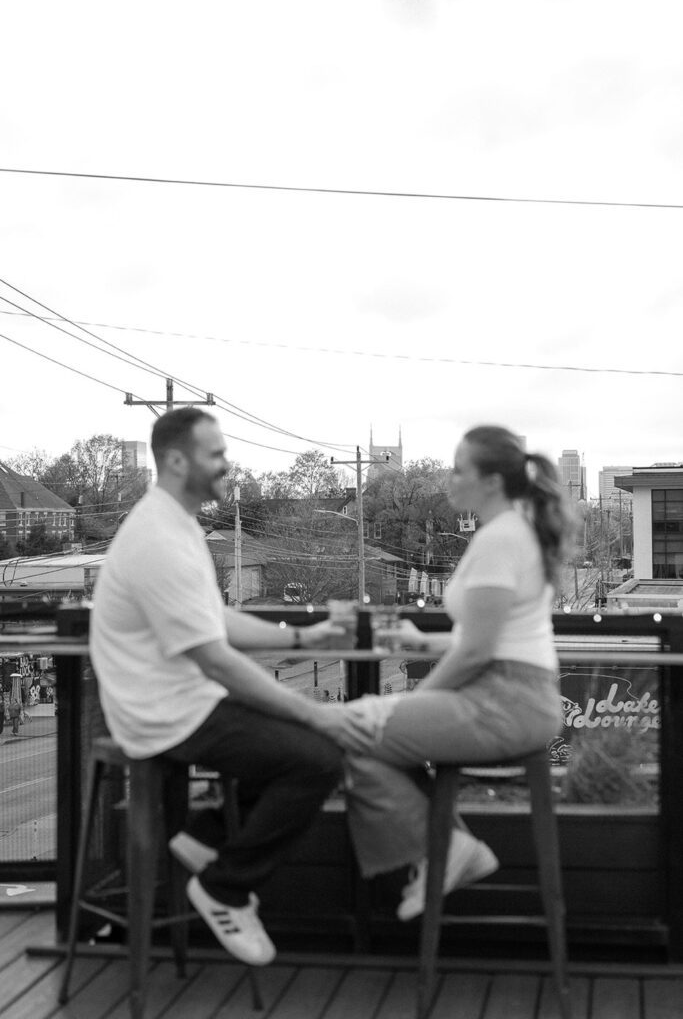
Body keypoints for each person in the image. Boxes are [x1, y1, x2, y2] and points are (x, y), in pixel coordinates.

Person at [90, 407, 372, 967]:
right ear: (175, 461)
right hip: (162, 714)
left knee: (304, 739)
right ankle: (224, 888)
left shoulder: (177, 524)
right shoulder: (158, 539)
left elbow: (214, 621)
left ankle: (204, 832)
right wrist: (311, 713)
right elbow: (216, 658)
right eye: (215, 454)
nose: (227, 463)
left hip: (183, 699)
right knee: (318, 756)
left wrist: (299, 639)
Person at [343, 424, 572, 920]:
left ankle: (444, 850)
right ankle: (448, 847)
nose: (448, 479)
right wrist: (425, 641)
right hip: (517, 695)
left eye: (458, 469)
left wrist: (412, 697)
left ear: (490, 481)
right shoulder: (511, 532)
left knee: (354, 727)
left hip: (505, 699)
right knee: (362, 728)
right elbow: (490, 637)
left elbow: (478, 652)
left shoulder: (499, 539)